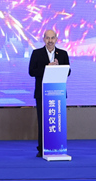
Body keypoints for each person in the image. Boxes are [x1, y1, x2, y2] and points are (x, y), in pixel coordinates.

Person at [28, 29, 71, 157]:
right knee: (43, 121)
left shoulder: (62, 53)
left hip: (58, 93)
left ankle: (57, 145)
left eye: (52, 38)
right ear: (44, 39)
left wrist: (58, 67)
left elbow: (68, 71)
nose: (50, 41)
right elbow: (31, 71)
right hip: (42, 93)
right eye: (47, 38)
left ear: (56, 39)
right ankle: (42, 148)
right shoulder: (37, 53)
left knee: (58, 120)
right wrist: (48, 67)